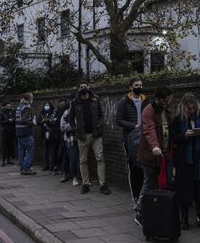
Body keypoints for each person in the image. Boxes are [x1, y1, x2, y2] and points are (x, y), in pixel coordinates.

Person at [170, 93, 200, 230]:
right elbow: (173, 138)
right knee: (184, 189)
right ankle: (184, 218)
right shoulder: (178, 119)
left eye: (193, 108)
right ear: (184, 108)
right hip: (185, 160)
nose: (191, 111)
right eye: (189, 109)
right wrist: (185, 135)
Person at [136, 86, 174, 225]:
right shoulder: (149, 111)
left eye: (169, 100)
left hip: (163, 155)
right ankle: (140, 212)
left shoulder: (166, 110)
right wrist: (155, 146)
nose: (167, 103)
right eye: (165, 100)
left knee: (160, 184)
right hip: (149, 155)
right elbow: (149, 130)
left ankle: (154, 210)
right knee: (149, 183)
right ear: (157, 99)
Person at [69, 82, 111, 195]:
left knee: (100, 158)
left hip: (96, 135)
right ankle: (85, 183)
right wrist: (75, 129)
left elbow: (101, 115)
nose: (83, 88)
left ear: (88, 88)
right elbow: (70, 119)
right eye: (81, 87)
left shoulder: (95, 100)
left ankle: (102, 184)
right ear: (78, 89)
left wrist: (100, 126)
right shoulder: (75, 103)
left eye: (85, 86)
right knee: (83, 160)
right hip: (82, 136)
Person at [116, 77, 149, 209]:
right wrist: (134, 126)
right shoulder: (124, 101)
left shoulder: (146, 100)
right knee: (133, 168)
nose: (139, 87)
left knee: (143, 168)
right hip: (129, 139)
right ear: (131, 87)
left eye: (141, 84)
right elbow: (119, 120)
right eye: (136, 85)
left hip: (143, 138)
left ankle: (143, 196)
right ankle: (135, 197)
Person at [16, 92, 37, 175]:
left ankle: (22, 168)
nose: (32, 100)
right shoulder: (26, 108)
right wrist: (32, 123)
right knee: (31, 149)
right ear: (29, 99)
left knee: (21, 151)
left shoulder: (19, 107)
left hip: (19, 132)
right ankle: (26, 168)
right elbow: (24, 120)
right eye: (32, 98)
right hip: (26, 132)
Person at [60, 103, 79, 186]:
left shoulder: (81, 111)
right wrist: (74, 125)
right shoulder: (66, 112)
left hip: (81, 138)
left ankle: (70, 174)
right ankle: (73, 176)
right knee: (72, 157)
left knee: (79, 158)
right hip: (70, 139)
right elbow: (62, 127)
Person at [37, 102, 55, 171]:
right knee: (46, 150)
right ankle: (46, 165)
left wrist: (47, 121)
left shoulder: (52, 113)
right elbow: (38, 122)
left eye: (48, 105)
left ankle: (52, 165)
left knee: (51, 150)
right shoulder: (42, 113)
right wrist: (42, 121)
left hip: (51, 133)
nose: (46, 106)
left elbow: (54, 122)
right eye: (45, 105)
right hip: (44, 133)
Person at [0, 102, 16, 166]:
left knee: (10, 146)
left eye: (10, 106)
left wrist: (13, 120)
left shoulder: (12, 112)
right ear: (5, 106)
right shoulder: (2, 113)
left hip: (11, 131)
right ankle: (3, 161)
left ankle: (9, 159)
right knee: (4, 146)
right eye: (8, 106)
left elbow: (15, 119)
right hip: (5, 131)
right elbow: (0, 122)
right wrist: (8, 121)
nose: (9, 107)